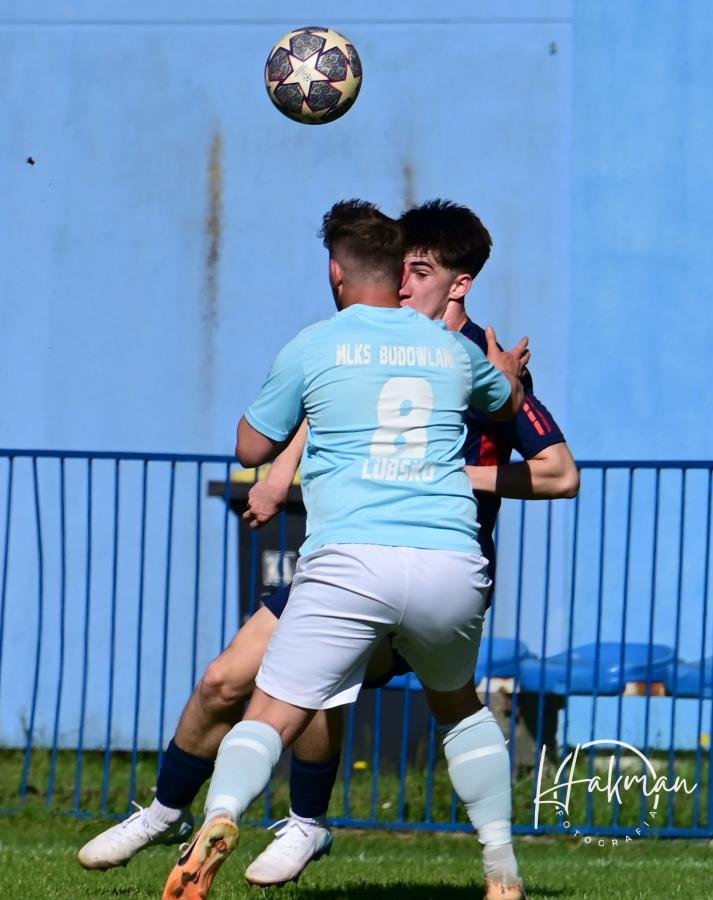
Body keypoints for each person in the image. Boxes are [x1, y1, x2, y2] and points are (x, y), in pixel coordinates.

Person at [78, 201, 576, 899]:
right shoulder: (382, 350)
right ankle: (171, 814)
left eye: (419, 271)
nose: (402, 282)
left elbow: (559, 473)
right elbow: (328, 412)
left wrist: (437, 470)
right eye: (400, 268)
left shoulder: (467, 357)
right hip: (402, 561)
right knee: (226, 679)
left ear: (459, 284)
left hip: (398, 552)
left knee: (301, 693)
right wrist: (281, 473)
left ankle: (277, 819)